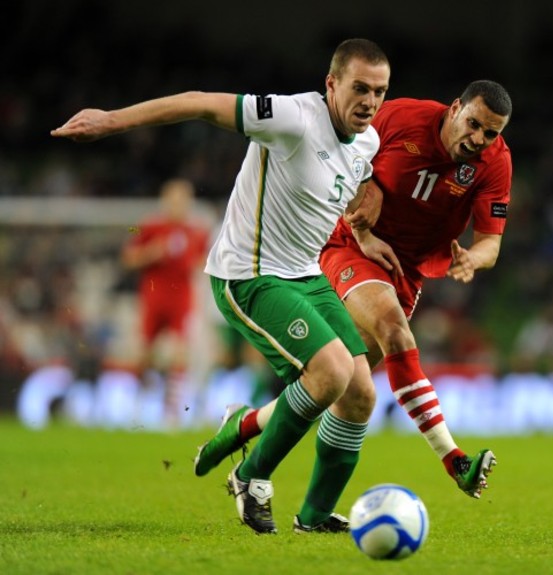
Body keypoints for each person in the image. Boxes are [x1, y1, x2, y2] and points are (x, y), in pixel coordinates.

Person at [52, 38, 392, 535]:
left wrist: (363, 232)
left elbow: (341, 191)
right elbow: (199, 102)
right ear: (332, 83)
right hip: (249, 274)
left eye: (379, 92)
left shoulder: (368, 141)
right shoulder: (292, 117)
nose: (370, 102)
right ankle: (250, 476)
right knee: (332, 372)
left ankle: (314, 514)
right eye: (360, 88)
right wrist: (112, 120)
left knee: (361, 392)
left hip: (306, 274)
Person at [194, 79, 511, 499]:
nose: (479, 139)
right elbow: (337, 155)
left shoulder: (495, 162)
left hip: (407, 271)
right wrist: (363, 205)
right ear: (455, 108)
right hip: (351, 245)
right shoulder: (401, 118)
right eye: (473, 124)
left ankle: (245, 429)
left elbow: (492, 241)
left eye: (491, 133)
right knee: (394, 330)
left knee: (344, 386)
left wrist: (474, 257)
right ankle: (454, 460)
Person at [121, 178, 210, 425]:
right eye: (173, 199)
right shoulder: (146, 227)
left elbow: (204, 261)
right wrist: (151, 253)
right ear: (165, 201)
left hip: (181, 299)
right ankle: (137, 405)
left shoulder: (198, 231)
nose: (178, 205)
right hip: (153, 297)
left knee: (180, 353)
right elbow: (128, 256)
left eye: (183, 199)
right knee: (144, 354)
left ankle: (172, 413)